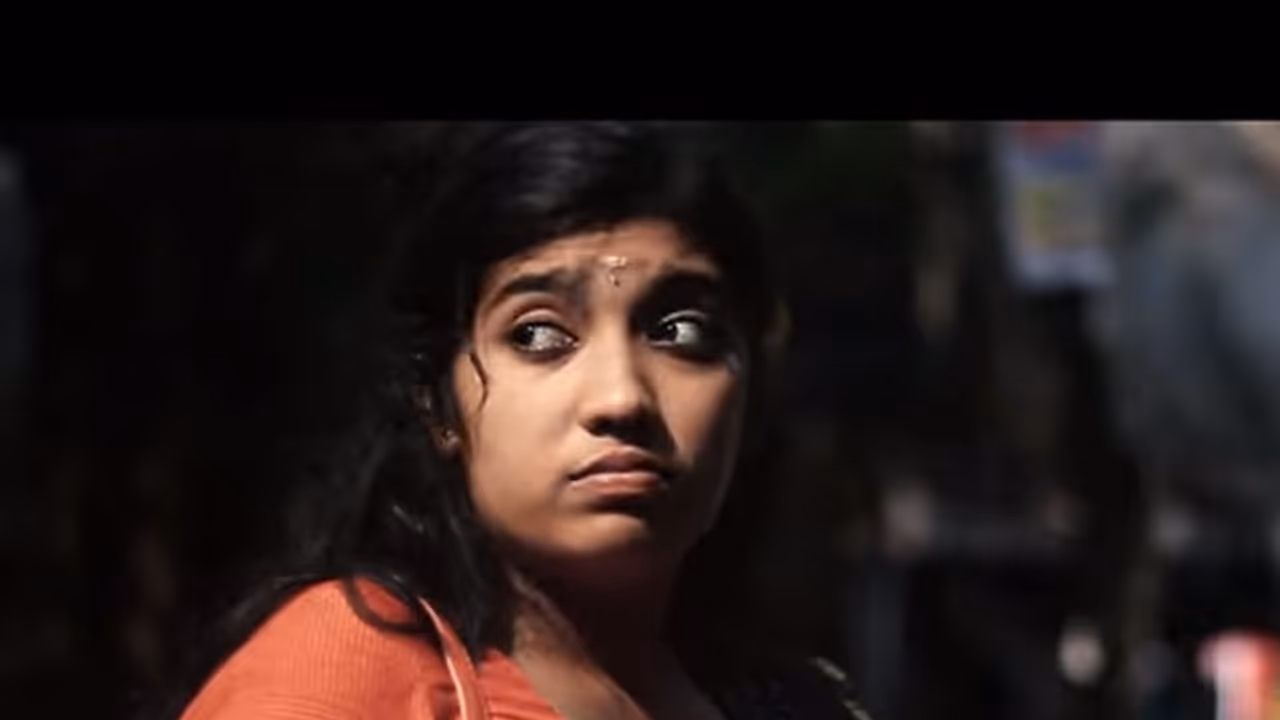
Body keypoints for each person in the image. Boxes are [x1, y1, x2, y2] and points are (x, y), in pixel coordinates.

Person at [173, 122, 869, 719]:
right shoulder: (342, 678)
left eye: (681, 332)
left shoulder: (791, 701)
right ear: (436, 403)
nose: (621, 398)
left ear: (751, 390)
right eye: (538, 335)